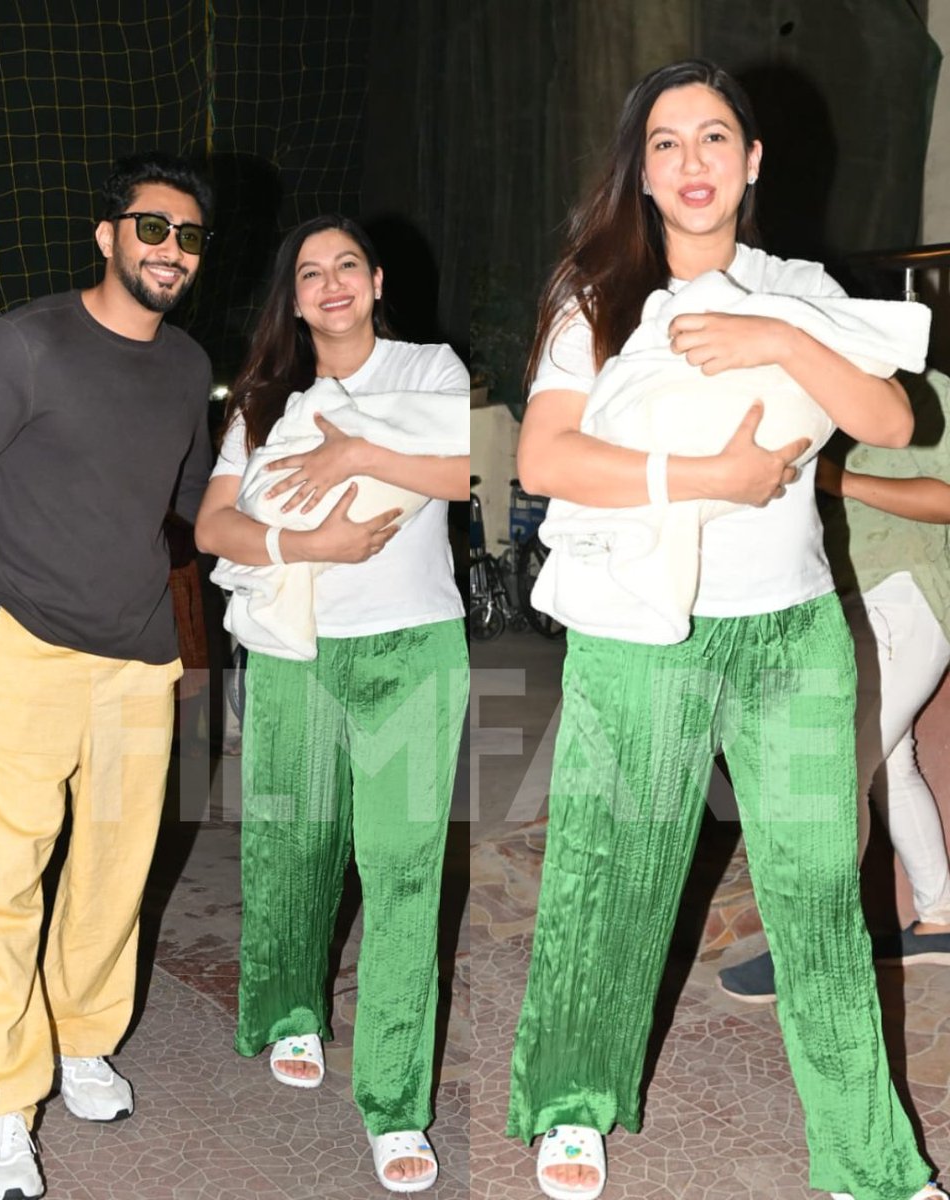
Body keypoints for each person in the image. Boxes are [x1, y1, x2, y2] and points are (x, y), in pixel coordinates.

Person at [505, 59, 946, 1200]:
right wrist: (709, 473)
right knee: (612, 878)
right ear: (640, 172)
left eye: (714, 139)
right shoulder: (592, 292)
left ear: (752, 163)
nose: (691, 163)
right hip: (642, 632)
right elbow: (543, 459)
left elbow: (896, 414)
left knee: (815, 895)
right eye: (666, 143)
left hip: (791, 632)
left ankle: (870, 1165)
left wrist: (783, 342)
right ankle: (569, 1105)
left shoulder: (797, 287)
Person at [194, 214, 469, 1194]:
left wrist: (357, 454)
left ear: (377, 277)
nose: (332, 281)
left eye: (346, 263)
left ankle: (396, 1104)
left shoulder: (431, 370)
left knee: (402, 869)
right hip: (293, 649)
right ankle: (290, 1009)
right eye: (310, 271)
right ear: (295, 297)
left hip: (412, 645)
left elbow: (464, 472)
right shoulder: (265, 399)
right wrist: (308, 547)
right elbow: (214, 525)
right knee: (293, 844)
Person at [0, 151, 214, 1200]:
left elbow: (196, 508)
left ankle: (84, 1042)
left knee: (115, 873)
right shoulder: (24, 346)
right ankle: (0, 1100)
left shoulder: (183, 368)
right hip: (23, 647)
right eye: (152, 228)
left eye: (189, 237)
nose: (170, 250)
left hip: (137, 658)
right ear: (108, 234)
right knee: (1, 886)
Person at [719, 368, 950, 1002]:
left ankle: (809, 949)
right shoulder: (828, 398)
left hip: (907, 596)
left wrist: (837, 479)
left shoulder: (932, 390)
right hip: (853, 599)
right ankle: (941, 918)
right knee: (888, 765)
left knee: (838, 765)